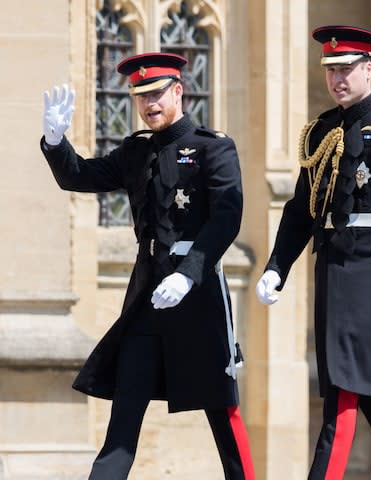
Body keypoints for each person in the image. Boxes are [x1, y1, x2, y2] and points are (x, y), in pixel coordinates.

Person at [41, 52, 255, 480]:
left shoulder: (214, 147)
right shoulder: (136, 151)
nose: (149, 104)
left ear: (178, 91)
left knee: (222, 413)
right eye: (140, 96)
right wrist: (55, 142)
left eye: (157, 93)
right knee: (123, 421)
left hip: (197, 299)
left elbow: (226, 219)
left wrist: (188, 273)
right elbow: (79, 176)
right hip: (147, 301)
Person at [256, 25, 371, 480]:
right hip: (334, 269)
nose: (338, 78)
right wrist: (277, 266)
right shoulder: (321, 131)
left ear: (368, 68)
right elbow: (302, 209)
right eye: (331, 70)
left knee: (341, 393)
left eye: (346, 69)